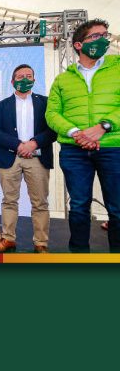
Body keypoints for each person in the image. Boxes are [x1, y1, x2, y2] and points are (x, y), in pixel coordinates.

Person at [46, 19, 120, 253]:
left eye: (105, 35)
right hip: (74, 151)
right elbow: (52, 113)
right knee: (78, 207)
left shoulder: (117, 68)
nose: (103, 39)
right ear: (79, 45)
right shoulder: (63, 79)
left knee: (117, 208)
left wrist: (104, 126)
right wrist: (76, 133)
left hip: (113, 148)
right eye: (96, 36)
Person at [0, 64, 56, 253]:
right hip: (10, 158)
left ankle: (41, 243)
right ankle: (8, 239)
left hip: (38, 158)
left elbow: (53, 130)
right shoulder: (2, 105)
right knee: (9, 200)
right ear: (12, 81)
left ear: (34, 79)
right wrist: (19, 145)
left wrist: (33, 144)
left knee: (40, 202)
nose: (24, 79)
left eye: (28, 76)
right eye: (20, 76)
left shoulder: (46, 103)